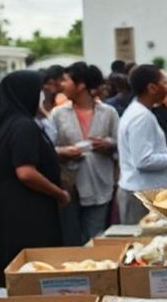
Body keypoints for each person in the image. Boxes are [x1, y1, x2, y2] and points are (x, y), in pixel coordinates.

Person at [0, 70, 69, 286]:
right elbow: (25, 172)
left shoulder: (7, 121)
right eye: (39, 91)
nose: (41, 96)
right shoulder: (24, 126)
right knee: (32, 266)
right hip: (27, 206)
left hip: (10, 202)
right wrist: (59, 193)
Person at [116, 65, 167, 224]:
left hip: (145, 191)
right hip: (141, 194)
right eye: (164, 81)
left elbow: (148, 153)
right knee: (145, 243)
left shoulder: (142, 112)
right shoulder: (141, 117)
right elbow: (143, 161)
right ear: (152, 88)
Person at [51, 62, 119, 244]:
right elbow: (48, 147)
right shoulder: (58, 114)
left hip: (99, 182)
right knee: (71, 235)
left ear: (80, 85)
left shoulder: (108, 112)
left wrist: (109, 144)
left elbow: (120, 142)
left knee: (95, 235)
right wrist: (64, 151)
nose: (61, 85)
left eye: (65, 80)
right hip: (70, 183)